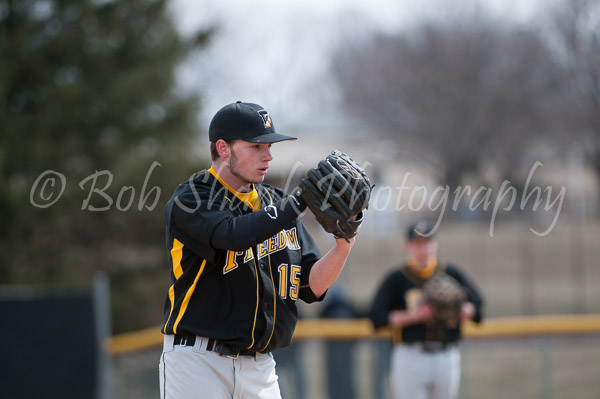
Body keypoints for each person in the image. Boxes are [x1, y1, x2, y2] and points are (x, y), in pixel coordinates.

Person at [158, 101, 359, 399]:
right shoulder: (192, 198)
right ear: (224, 149)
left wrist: (345, 242)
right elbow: (233, 234)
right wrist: (299, 201)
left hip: (261, 368)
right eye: (256, 147)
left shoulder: (277, 203)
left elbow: (311, 285)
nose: (268, 155)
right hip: (199, 361)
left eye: (269, 146)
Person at [369, 220, 483, 399]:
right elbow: (377, 318)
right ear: (408, 246)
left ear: (435, 243)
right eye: (418, 244)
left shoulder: (451, 273)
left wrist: (455, 309)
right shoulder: (397, 278)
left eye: (428, 243)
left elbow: (477, 310)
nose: (424, 249)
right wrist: (416, 316)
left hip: (446, 355)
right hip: (410, 355)